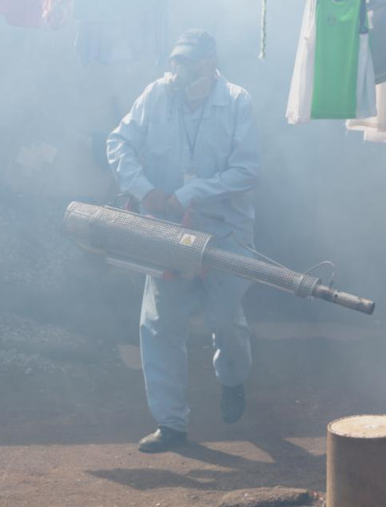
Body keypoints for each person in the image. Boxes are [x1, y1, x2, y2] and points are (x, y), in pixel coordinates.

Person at [106, 30, 261, 453]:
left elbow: (246, 171)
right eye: (175, 61)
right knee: (160, 324)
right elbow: (118, 141)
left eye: (188, 62)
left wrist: (189, 194)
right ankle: (170, 424)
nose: (179, 70)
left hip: (223, 230)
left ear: (210, 62)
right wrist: (144, 189)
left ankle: (231, 378)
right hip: (167, 229)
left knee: (225, 319)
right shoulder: (155, 94)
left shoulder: (237, 101)